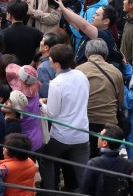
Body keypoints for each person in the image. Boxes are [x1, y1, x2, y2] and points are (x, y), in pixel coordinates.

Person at [39, 44, 89, 193]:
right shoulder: (81, 75)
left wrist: (42, 104)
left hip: (62, 136)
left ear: (56, 63)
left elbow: (53, 113)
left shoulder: (56, 83)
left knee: (45, 159)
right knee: (83, 174)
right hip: (82, 133)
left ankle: (49, 190)